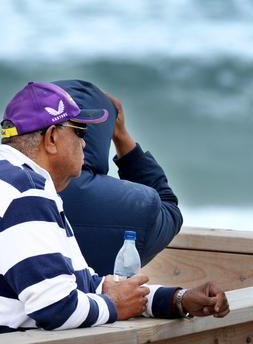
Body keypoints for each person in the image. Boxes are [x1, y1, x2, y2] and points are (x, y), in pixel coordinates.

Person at [0, 82, 228, 343]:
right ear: (52, 139)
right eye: (79, 130)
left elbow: (85, 284)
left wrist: (177, 300)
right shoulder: (26, 194)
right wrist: (113, 306)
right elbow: (55, 307)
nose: (84, 142)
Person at [53, 80, 183, 275]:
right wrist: (121, 136)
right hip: (98, 303)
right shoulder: (137, 207)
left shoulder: (1, 187)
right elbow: (170, 210)